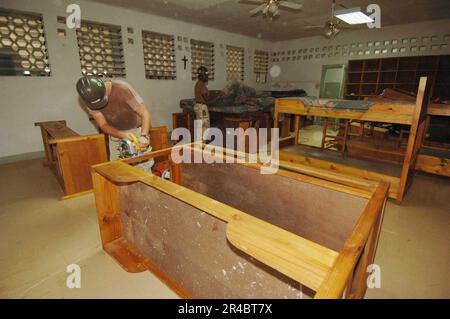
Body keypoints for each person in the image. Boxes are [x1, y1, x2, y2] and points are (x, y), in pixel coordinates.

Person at [76, 76, 152, 161]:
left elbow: (144, 113)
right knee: (117, 168)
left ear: (104, 87)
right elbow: (103, 125)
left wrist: (144, 136)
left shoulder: (122, 89)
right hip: (114, 133)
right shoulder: (90, 100)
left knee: (143, 166)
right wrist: (121, 134)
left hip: (137, 132)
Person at [194, 66, 226, 137]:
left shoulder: (199, 83)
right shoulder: (201, 84)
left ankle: (200, 145)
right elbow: (207, 98)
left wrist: (216, 93)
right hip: (202, 108)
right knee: (205, 127)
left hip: (198, 106)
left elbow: (207, 93)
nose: (207, 77)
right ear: (202, 76)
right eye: (206, 76)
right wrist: (218, 94)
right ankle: (203, 145)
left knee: (200, 128)